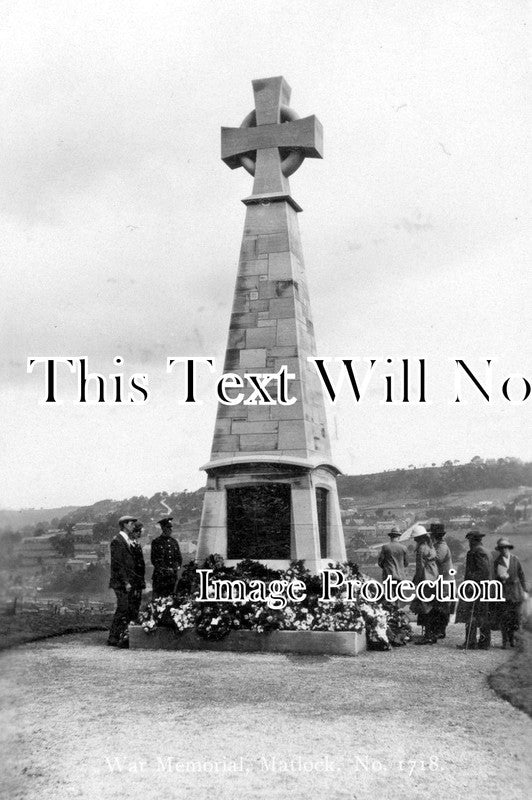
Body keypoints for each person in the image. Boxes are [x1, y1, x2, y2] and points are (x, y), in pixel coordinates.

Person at [455, 531, 492, 650]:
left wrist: (472, 584)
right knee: (483, 614)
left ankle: (470, 642)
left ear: (473, 540)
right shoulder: (487, 551)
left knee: (471, 614)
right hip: (486, 588)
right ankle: (484, 643)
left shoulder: (475, 552)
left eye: (470, 540)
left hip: (476, 588)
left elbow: (483, 571)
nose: (469, 543)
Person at [108, 515, 139, 648]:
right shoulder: (118, 541)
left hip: (126, 581)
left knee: (125, 608)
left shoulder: (125, 540)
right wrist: (126, 582)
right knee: (123, 608)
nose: (133, 526)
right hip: (120, 582)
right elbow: (118, 564)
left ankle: (120, 635)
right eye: (131, 523)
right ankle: (113, 637)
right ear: (125, 525)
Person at [491, 537, 527, 649]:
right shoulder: (497, 562)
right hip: (504, 593)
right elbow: (494, 578)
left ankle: (513, 641)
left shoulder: (515, 559)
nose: (504, 550)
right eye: (502, 548)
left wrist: (524, 590)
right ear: (499, 550)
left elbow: (521, 575)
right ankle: (505, 642)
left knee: (516, 619)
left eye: (506, 547)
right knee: (504, 619)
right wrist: (500, 577)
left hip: (516, 593)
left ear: (508, 548)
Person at [410, 524, 439, 644]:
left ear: (418, 538)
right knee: (431, 607)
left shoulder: (421, 549)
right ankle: (431, 633)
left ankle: (428, 636)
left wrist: (415, 581)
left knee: (425, 608)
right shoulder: (430, 547)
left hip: (425, 580)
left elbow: (420, 567)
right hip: (434, 579)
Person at [430, 523, 454, 639]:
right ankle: (439, 630)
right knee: (440, 606)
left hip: (445, 582)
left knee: (443, 607)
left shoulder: (442, 546)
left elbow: (437, 559)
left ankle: (441, 631)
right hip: (442, 581)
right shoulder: (438, 545)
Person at [151, 515, 182, 599]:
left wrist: (177, 567)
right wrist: (166, 569)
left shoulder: (174, 542)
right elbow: (154, 560)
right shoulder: (156, 542)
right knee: (158, 600)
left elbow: (179, 558)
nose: (170, 530)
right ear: (163, 528)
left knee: (170, 600)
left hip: (172, 578)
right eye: (168, 528)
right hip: (160, 578)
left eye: (170, 528)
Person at [129, 521, 146, 622]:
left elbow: (141, 565)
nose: (138, 533)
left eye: (140, 531)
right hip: (131, 580)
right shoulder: (128, 545)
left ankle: (132, 624)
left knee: (136, 603)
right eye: (136, 531)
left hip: (138, 580)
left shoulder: (137, 545)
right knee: (130, 604)